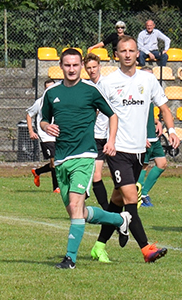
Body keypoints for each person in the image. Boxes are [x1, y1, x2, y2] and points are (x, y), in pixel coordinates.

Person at [39, 49, 132, 269]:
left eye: (75, 65)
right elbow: (42, 119)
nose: (71, 69)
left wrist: (111, 141)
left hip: (84, 155)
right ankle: (120, 220)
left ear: (81, 65)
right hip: (61, 158)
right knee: (76, 211)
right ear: (61, 66)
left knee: (75, 203)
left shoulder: (91, 91)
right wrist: (46, 126)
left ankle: (70, 259)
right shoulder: (52, 94)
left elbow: (112, 114)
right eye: (67, 65)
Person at [90, 36, 172, 264]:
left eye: (131, 50)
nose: (127, 54)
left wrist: (172, 130)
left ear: (138, 53)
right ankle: (147, 249)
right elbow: (94, 112)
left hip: (139, 151)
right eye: (123, 50)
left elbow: (164, 107)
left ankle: (98, 246)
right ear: (116, 54)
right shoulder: (107, 83)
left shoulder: (148, 79)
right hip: (117, 150)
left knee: (116, 201)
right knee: (131, 199)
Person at [138, 87, 178, 208]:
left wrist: (157, 122)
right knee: (143, 166)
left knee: (162, 164)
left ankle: (143, 193)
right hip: (144, 138)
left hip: (153, 138)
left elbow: (148, 115)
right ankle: (138, 196)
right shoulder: (137, 97)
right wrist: (141, 136)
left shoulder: (150, 95)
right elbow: (134, 117)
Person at [83, 53, 109, 209]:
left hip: (112, 136)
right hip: (97, 136)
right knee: (96, 175)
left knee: (118, 175)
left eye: (94, 67)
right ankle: (107, 210)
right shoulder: (87, 87)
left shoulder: (107, 84)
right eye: (89, 68)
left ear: (99, 66)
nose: (92, 70)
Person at [26, 78, 60, 194]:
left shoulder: (60, 100)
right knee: (54, 161)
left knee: (58, 161)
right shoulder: (40, 102)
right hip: (46, 136)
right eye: (47, 88)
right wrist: (31, 131)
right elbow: (29, 115)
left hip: (58, 135)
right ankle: (56, 187)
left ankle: (37, 171)